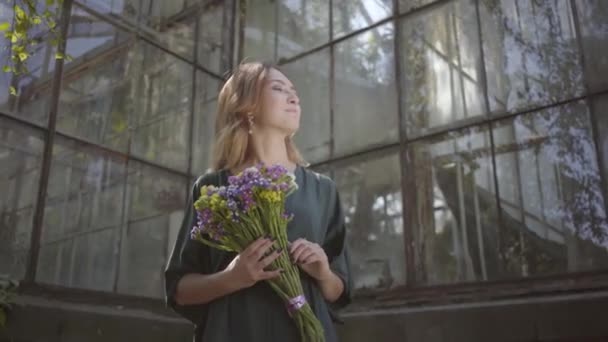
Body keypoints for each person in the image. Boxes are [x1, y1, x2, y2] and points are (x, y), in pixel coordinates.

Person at [164, 61, 352, 341]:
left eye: (294, 91)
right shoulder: (211, 189)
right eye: (278, 88)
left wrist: (323, 272)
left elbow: (339, 290)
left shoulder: (322, 189)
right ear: (247, 106)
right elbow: (180, 289)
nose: (294, 97)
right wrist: (233, 277)